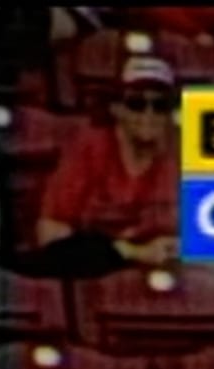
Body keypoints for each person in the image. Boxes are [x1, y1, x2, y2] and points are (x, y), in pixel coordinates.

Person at [27, 54, 182, 273]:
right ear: (116, 108)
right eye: (136, 103)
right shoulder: (89, 148)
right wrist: (133, 252)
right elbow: (50, 233)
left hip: (175, 273)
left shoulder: (186, 151)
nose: (149, 114)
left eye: (160, 105)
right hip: (101, 275)